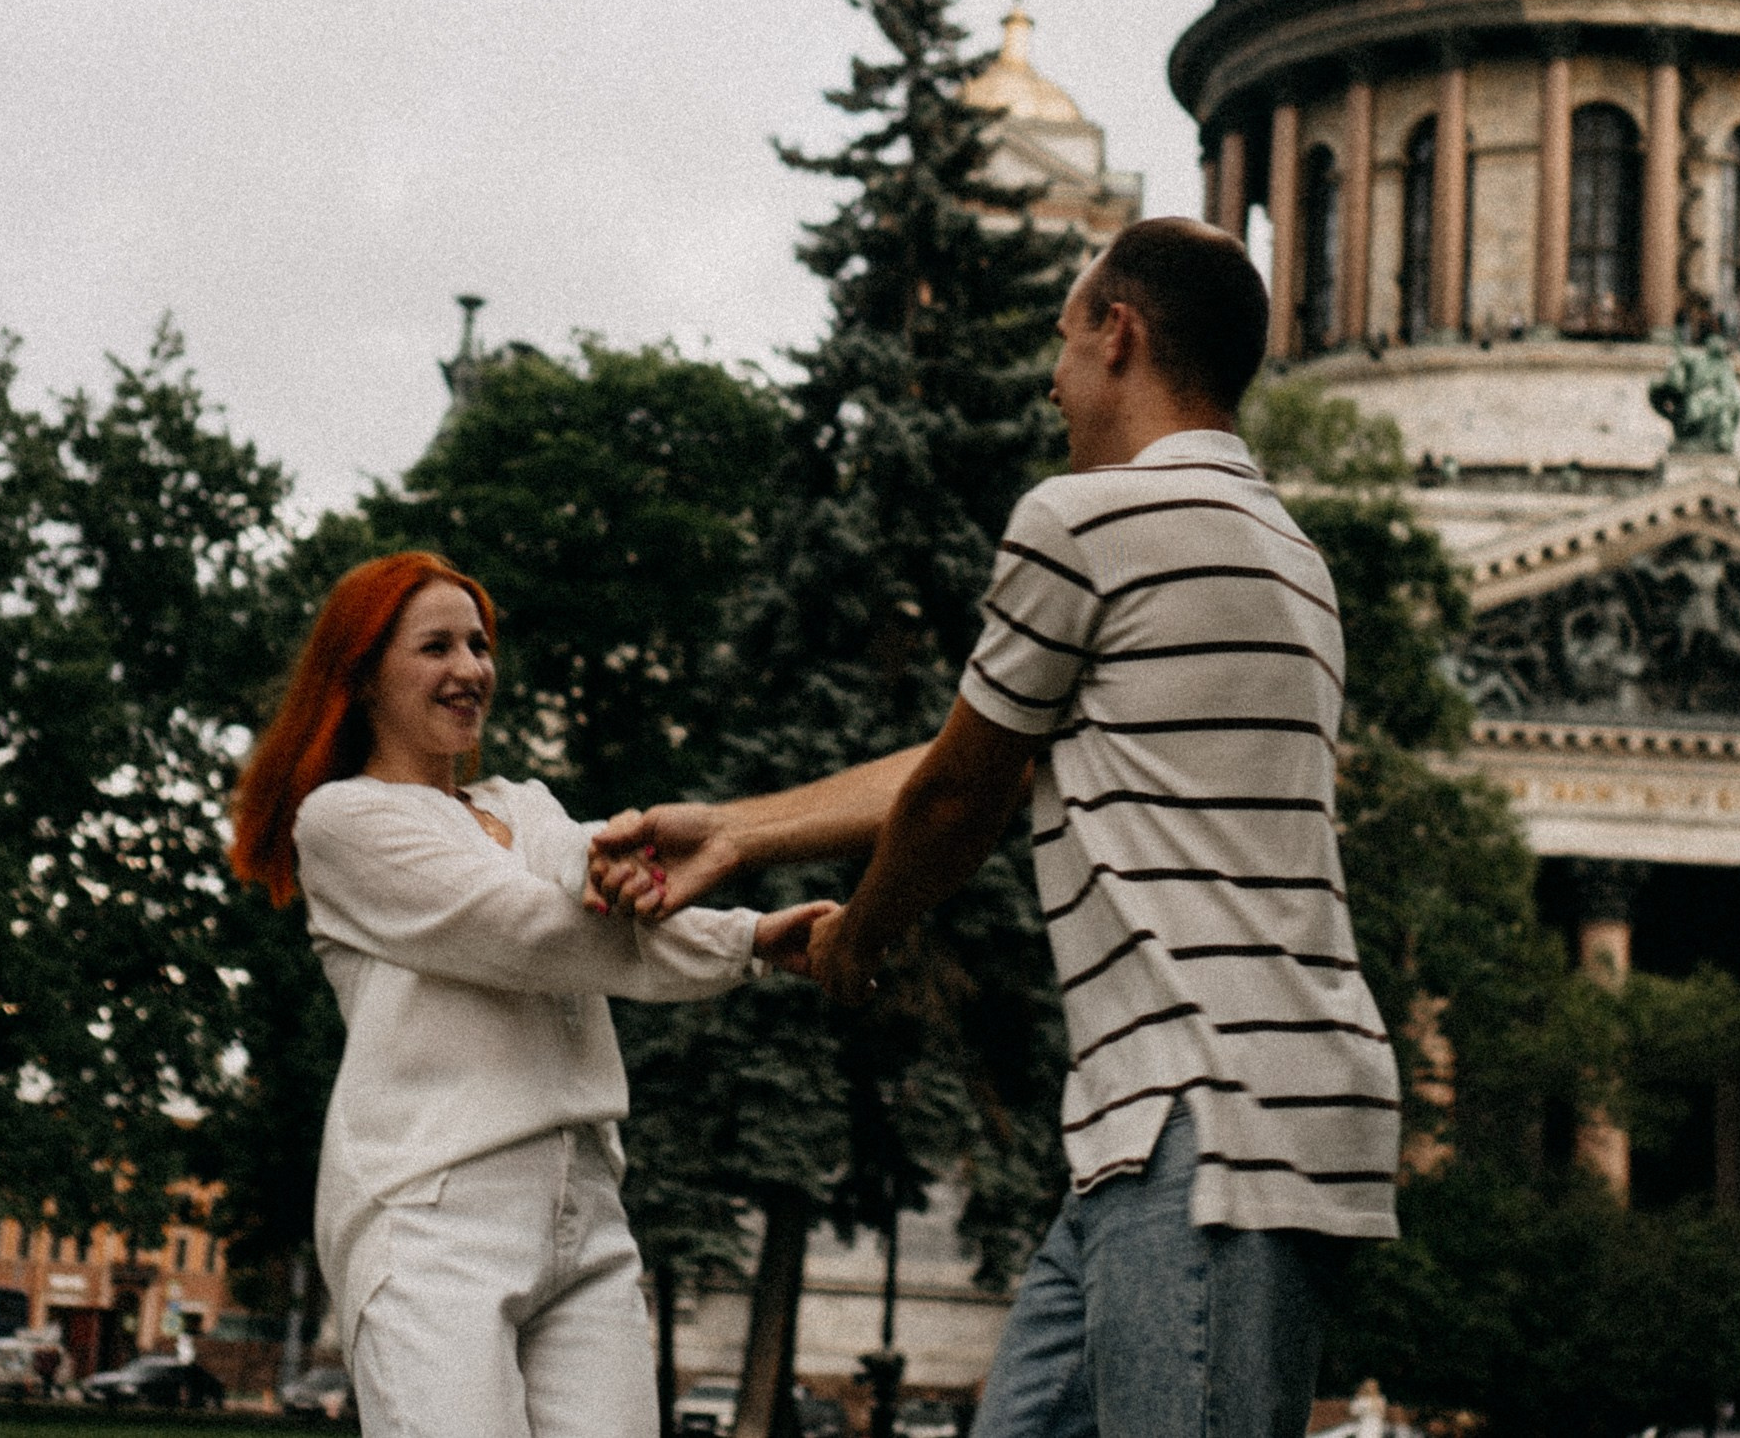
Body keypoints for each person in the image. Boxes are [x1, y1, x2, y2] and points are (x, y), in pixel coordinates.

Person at [597, 217, 1402, 1438]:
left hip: (1207, 1111)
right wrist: (741, 834)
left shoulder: (1087, 520)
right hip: (1186, 1117)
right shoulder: (1283, 551)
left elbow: (964, 795)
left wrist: (859, 939)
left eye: (1064, 338)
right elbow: (985, 752)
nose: (1050, 374)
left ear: (1118, 332)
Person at [229, 551, 830, 1438]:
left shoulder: (529, 805)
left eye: (478, 645)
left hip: (585, 1211)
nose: (471, 669)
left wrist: (762, 941)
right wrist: (738, 934)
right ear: (360, 678)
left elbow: (625, 914)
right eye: (435, 647)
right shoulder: (345, 820)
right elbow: (533, 933)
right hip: (432, 1212)